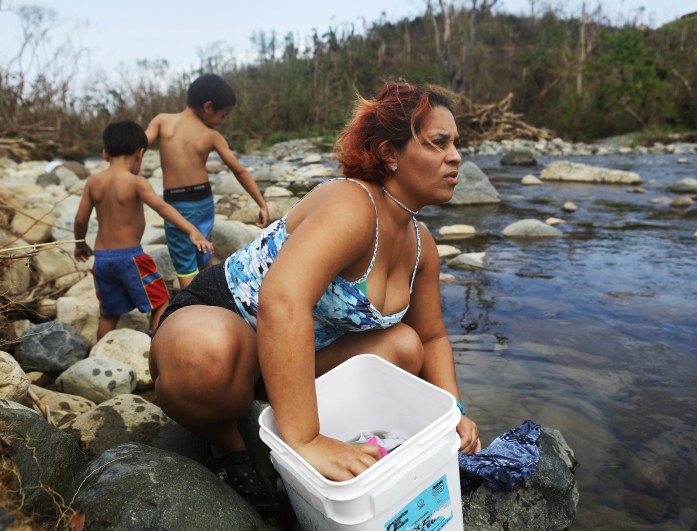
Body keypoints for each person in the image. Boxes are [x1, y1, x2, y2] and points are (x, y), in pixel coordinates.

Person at [149, 82, 481, 510]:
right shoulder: (351, 203)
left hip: (289, 358)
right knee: (206, 356)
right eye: (439, 143)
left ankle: (300, 427)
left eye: (456, 144)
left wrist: (452, 414)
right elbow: (282, 301)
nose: (456, 155)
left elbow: (433, 337)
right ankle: (227, 443)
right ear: (389, 153)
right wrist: (306, 440)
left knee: (405, 346)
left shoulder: (422, 246)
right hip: (217, 317)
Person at [73, 120, 214, 340]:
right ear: (140, 154)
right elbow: (162, 207)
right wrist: (192, 230)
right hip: (131, 259)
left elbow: (81, 219)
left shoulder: (93, 182)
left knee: (108, 313)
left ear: (104, 154)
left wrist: (80, 244)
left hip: (101, 261)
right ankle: (158, 347)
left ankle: (99, 353)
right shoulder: (136, 182)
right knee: (160, 302)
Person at [145, 73, 269, 289]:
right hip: (204, 202)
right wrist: (262, 203)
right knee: (203, 248)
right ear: (208, 107)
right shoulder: (211, 136)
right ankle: (214, 291)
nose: (222, 121)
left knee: (185, 263)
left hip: (178, 205)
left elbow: (137, 146)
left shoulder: (162, 122)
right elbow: (239, 171)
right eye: (224, 115)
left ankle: (193, 306)